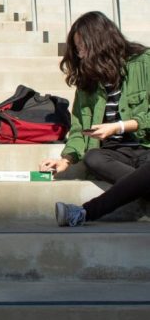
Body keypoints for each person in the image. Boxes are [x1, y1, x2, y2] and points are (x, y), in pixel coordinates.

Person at [39, 12, 150, 226]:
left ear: (100, 41)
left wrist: (118, 127)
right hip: (115, 155)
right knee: (93, 157)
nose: (79, 54)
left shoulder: (144, 63)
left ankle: (84, 212)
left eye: (82, 47)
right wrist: (66, 160)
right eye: (77, 48)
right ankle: (140, 183)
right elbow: (80, 127)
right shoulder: (87, 81)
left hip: (146, 148)